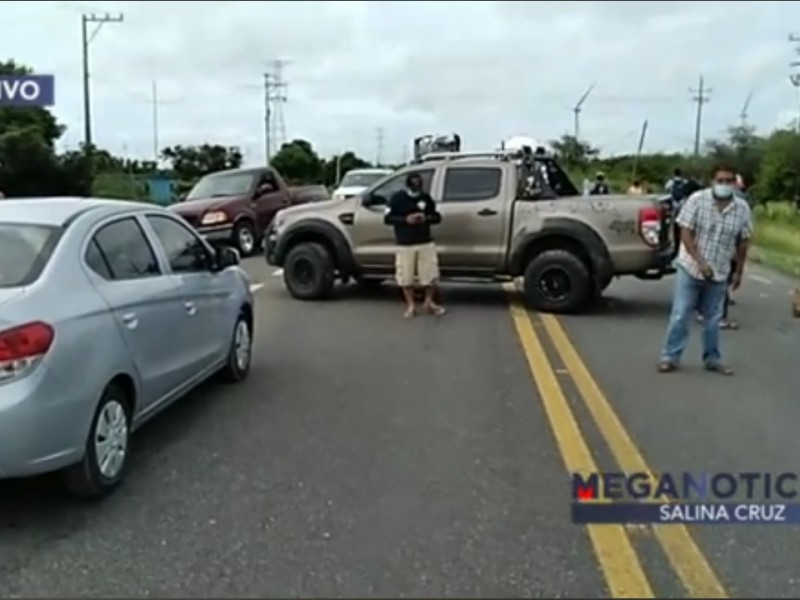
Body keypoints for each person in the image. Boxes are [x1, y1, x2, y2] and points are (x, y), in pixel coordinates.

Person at [657, 165, 752, 375]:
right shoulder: (697, 200)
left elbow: (743, 241)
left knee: (713, 319)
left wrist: (739, 271)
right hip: (691, 267)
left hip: (719, 270)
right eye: (721, 180)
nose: (725, 185)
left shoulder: (742, 209)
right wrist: (700, 261)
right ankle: (669, 357)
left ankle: (712, 358)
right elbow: (686, 232)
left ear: (735, 184)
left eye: (729, 181)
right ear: (712, 181)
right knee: (681, 314)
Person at [384, 172, 446, 318]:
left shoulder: (426, 198)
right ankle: (411, 305)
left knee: (430, 275)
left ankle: (429, 301)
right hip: (405, 243)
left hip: (425, 242)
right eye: (413, 182)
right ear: (408, 183)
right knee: (406, 277)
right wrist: (406, 220)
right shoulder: (397, 198)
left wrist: (426, 218)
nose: (416, 184)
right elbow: (387, 218)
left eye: (419, 182)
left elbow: (436, 217)